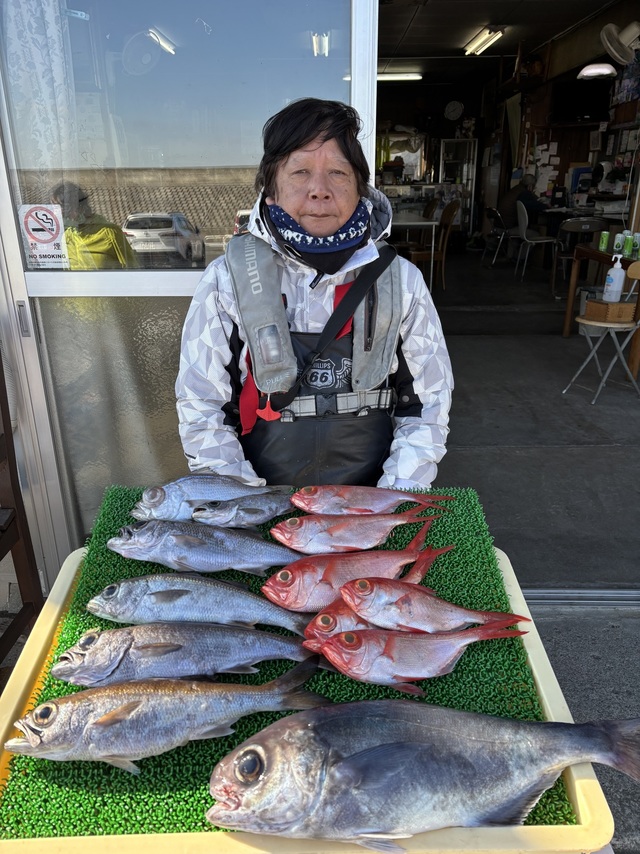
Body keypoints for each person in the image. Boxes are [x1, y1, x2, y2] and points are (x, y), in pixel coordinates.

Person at [175, 98, 453, 488]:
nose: (319, 190)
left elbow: (428, 406)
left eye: (338, 173)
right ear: (270, 189)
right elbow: (202, 408)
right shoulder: (226, 281)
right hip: (259, 499)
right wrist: (247, 508)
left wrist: (385, 505)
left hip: (370, 501)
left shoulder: (401, 280)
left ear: (360, 189)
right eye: (300, 171)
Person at [49, 181, 139, 270]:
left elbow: (132, 270)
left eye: (60, 208)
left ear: (77, 207)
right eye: (54, 208)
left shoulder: (109, 232)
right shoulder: (67, 237)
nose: (56, 213)